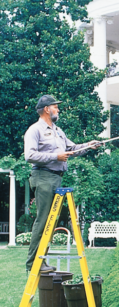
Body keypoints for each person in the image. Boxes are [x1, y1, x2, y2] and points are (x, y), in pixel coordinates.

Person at [24, 95, 100, 274]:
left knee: (51, 221)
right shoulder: (34, 130)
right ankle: (33, 263)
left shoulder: (58, 131)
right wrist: (54, 156)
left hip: (56, 177)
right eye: (55, 107)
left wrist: (89, 145)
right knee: (43, 221)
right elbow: (29, 156)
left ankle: (41, 260)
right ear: (46, 109)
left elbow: (72, 149)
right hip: (43, 177)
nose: (58, 109)